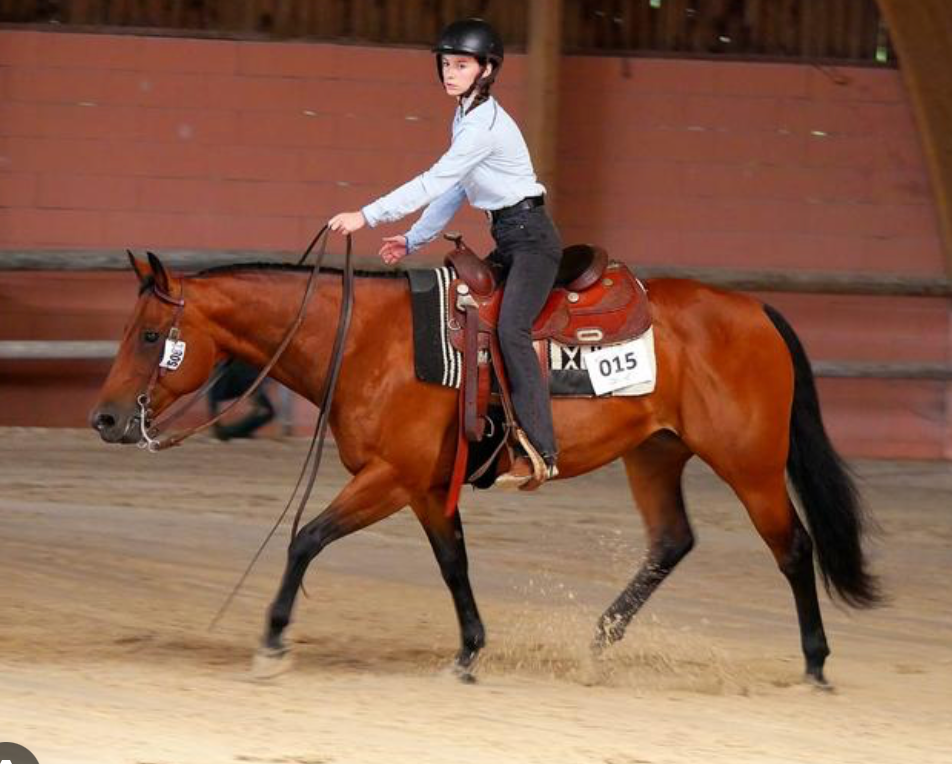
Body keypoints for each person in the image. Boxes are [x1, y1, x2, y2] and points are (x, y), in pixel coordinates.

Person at [328, 18, 562, 489]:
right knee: (467, 317)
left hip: (533, 240)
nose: (450, 73)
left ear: (486, 69)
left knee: (514, 330)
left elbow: (434, 180)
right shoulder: (465, 118)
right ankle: (482, 435)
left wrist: (367, 216)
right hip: (509, 237)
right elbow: (455, 189)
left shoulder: (484, 125)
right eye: (446, 64)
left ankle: (542, 450)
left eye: (461, 65)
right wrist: (413, 239)